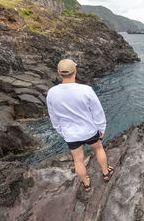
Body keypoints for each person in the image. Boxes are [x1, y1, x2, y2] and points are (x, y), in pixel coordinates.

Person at [46, 59, 114, 192]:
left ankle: (86, 183)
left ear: (59, 72)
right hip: (89, 131)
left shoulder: (52, 93)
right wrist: (101, 129)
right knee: (99, 149)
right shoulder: (86, 90)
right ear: (75, 72)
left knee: (78, 160)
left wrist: (61, 131)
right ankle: (106, 173)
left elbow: (53, 116)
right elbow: (97, 112)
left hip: (70, 134)